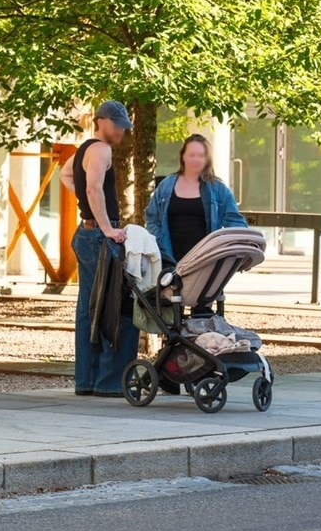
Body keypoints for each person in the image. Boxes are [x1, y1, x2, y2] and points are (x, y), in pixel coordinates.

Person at [70, 101, 140, 397]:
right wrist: (107, 227)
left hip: (86, 233)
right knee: (118, 306)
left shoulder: (83, 149)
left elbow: (67, 177)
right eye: (118, 124)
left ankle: (86, 380)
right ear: (101, 121)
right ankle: (110, 381)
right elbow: (92, 188)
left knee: (89, 308)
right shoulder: (101, 149)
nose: (122, 130)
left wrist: (88, 213)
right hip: (100, 236)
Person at [144, 133, 248, 265]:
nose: (196, 159)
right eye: (192, 155)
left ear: (207, 159)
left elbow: (234, 221)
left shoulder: (218, 189)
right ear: (183, 157)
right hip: (169, 260)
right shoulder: (166, 185)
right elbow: (152, 218)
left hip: (206, 260)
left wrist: (245, 250)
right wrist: (160, 245)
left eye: (201, 155)